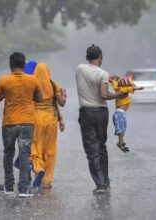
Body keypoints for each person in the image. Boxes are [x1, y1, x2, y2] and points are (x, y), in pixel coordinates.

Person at [75, 44, 128, 194]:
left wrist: (107, 78)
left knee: (92, 150)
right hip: (101, 113)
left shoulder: (79, 68)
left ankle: (100, 184)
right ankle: (105, 180)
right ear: (101, 58)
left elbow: (92, 75)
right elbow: (104, 95)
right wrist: (120, 95)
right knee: (101, 147)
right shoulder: (103, 73)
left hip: (87, 113)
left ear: (86, 58)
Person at [0, 52, 43, 198]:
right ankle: (24, 188)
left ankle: (8, 186)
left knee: (8, 153)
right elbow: (39, 98)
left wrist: (6, 94)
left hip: (9, 123)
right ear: (24, 65)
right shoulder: (33, 80)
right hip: (27, 122)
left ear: (10, 65)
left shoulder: (4, 80)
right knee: (24, 154)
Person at [29, 63, 67, 190]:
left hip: (36, 120)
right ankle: (47, 181)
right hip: (51, 120)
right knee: (50, 150)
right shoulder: (53, 83)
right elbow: (61, 103)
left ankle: (38, 168)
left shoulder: (31, 83)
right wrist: (60, 118)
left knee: (34, 146)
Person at [110, 76, 143, 152]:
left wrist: (111, 80)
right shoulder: (124, 89)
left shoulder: (117, 88)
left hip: (119, 113)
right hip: (120, 114)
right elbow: (132, 87)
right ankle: (120, 143)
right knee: (121, 129)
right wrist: (138, 88)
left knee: (122, 129)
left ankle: (120, 142)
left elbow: (114, 83)